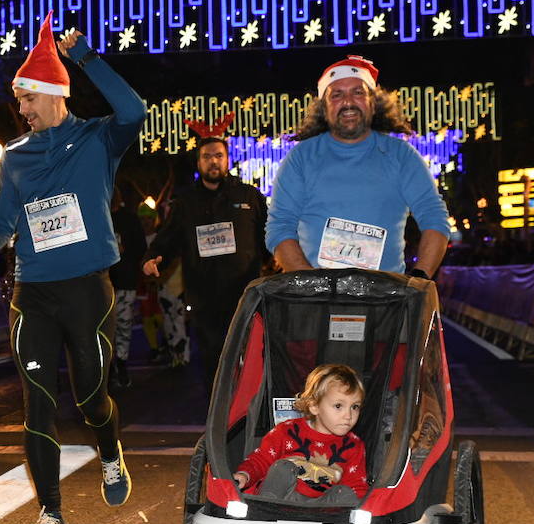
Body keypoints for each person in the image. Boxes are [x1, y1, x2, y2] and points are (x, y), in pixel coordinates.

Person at [0, 11, 145, 524]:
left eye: (30, 96)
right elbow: (3, 224)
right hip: (33, 294)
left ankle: (108, 449)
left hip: (87, 290)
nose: (23, 108)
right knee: (37, 401)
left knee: (91, 397)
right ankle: (51, 515)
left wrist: (86, 58)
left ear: (58, 93)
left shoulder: (99, 140)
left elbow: (134, 109)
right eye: (19, 98)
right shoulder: (16, 157)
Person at [266, 56, 450, 279]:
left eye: (358, 92)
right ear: (324, 108)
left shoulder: (402, 156)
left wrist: (420, 279)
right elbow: (280, 227)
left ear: (373, 103)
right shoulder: (301, 158)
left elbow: (434, 217)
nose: (348, 102)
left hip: (386, 301)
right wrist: (311, 287)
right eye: (337, 95)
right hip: (316, 303)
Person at [143, 135, 268, 396]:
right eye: (207, 156)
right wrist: (153, 257)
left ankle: (251, 418)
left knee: (251, 361)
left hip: (246, 297)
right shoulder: (185, 203)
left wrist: (280, 260)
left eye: (218, 156)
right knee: (214, 363)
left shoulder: (250, 196)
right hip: (204, 301)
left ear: (228, 160)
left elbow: (270, 237)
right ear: (198, 162)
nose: (213, 161)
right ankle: (218, 423)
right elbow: (167, 239)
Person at [233, 363, 368, 507]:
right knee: (283, 467)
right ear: (314, 406)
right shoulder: (287, 430)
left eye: (355, 407)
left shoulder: (354, 445)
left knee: (345, 492)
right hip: (280, 499)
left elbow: (356, 486)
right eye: (338, 406)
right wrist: (245, 475)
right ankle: (264, 511)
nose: (348, 415)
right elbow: (261, 460)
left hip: (321, 509)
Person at [108, 184, 146, 388]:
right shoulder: (99, 217)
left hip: (125, 282)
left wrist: (126, 252)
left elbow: (141, 247)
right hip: (102, 284)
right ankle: (106, 370)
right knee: (104, 329)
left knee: (123, 325)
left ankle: (121, 364)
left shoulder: (129, 219)